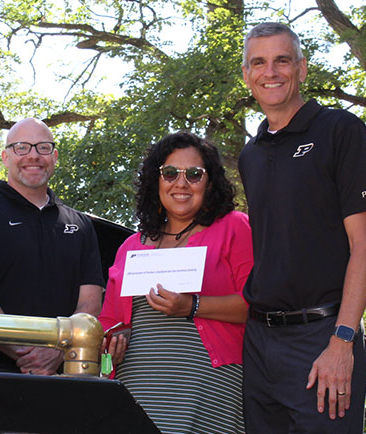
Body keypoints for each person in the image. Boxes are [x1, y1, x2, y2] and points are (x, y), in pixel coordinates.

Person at [238, 22, 366, 433]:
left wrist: (342, 341)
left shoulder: (340, 130)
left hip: (322, 337)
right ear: (247, 75)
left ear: (301, 69)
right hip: (260, 342)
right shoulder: (250, 154)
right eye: (259, 62)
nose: (271, 72)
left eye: (282, 60)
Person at [100, 131, 254, 434]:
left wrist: (192, 306)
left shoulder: (234, 227)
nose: (180, 183)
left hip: (210, 391)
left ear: (210, 183)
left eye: (194, 174)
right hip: (136, 389)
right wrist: (110, 343)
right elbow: (108, 321)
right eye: (170, 173)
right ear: (155, 181)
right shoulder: (131, 246)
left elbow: (257, 305)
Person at [0, 117, 104, 375]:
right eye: (22, 148)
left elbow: (90, 304)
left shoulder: (80, 224)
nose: (34, 156)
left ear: (55, 156)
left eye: (43, 148)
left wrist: (58, 350)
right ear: (5, 157)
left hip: (65, 371)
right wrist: (26, 352)